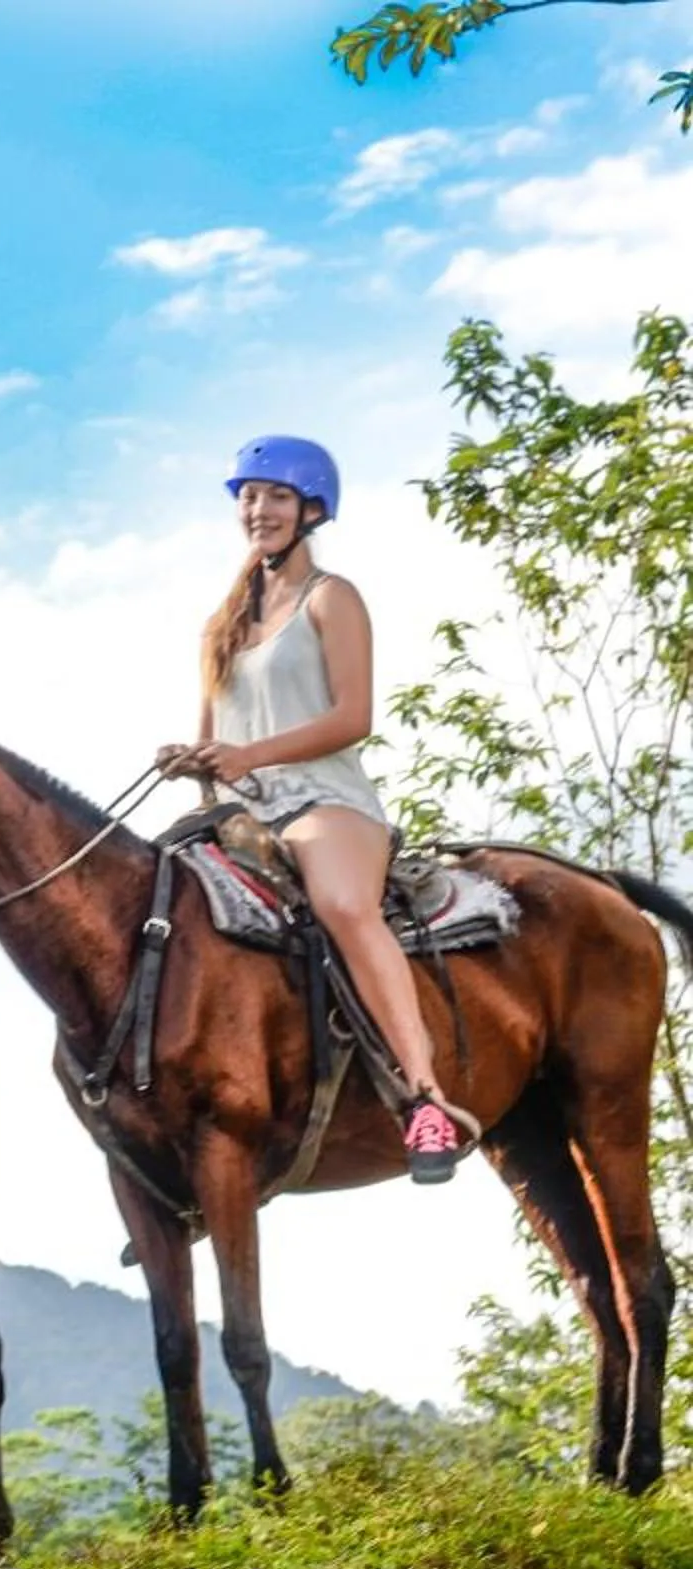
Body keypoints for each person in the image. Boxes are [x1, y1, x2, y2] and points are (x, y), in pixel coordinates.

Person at [156, 435, 466, 1180]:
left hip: (325, 802)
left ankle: (425, 1102)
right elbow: (214, 743)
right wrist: (192, 760)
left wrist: (248, 757)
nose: (257, 509)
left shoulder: (333, 598)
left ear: (312, 509)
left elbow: (354, 716)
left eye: (274, 496)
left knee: (342, 904)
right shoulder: (220, 624)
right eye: (248, 497)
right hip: (236, 817)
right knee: (150, 911)